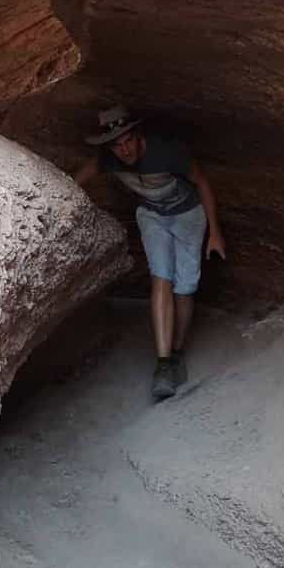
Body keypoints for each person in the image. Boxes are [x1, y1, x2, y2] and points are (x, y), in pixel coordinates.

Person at [74, 105, 226, 401]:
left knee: (185, 288)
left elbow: (202, 181)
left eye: (128, 140)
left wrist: (215, 234)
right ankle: (164, 363)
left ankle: (178, 350)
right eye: (117, 145)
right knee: (161, 279)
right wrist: (62, 193)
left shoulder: (168, 151)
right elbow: (84, 173)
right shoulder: (109, 158)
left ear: (138, 135)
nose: (125, 150)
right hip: (152, 216)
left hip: (188, 216)